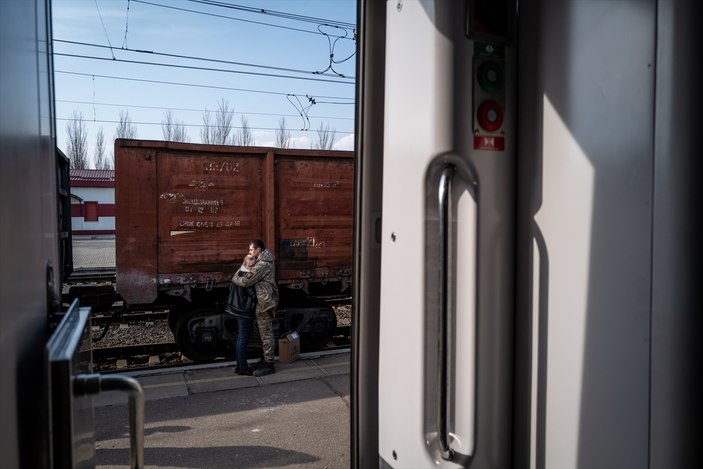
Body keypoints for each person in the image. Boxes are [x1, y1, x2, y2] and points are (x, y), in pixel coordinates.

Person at [232, 239, 279, 376]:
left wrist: (235, 278)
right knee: (263, 334)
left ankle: (269, 364)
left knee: (266, 334)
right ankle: (265, 360)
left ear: (258, 250)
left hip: (264, 303)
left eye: (251, 250)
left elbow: (245, 281)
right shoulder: (262, 262)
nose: (250, 252)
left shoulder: (262, 265)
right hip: (262, 301)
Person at [226, 254, 257, 376]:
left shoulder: (238, 272)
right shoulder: (247, 276)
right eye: (254, 265)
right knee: (243, 339)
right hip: (244, 311)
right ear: (249, 264)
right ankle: (243, 367)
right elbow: (253, 295)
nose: (255, 267)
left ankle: (239, 366)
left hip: (237, 309)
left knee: (240, 339)